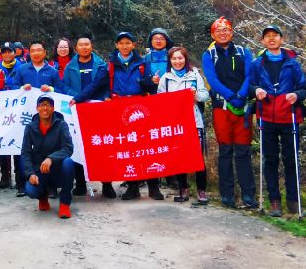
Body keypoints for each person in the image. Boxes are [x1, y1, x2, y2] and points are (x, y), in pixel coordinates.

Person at [75, 32, 162, 201]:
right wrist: (77, 99)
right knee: (127, 147)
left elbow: (149, 87)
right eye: (121, 43)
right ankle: (133, 186)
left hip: (139, 107)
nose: (124, 46)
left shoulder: (142, 63)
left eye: (128, 43)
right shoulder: (109, 66)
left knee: (146, 146)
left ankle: (154, 186)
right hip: (119, 108)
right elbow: (96, 85)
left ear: (133, 45)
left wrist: (152, 82)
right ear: (116, 45)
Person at [200, 17, 256, 209]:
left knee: (243, 151)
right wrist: (230, 95)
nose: (223, 33)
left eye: (226, 30)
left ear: (232, 32)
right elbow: (212, 79)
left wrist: (241, 94)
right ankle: (227, 194)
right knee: (225, 150)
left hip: (243, 106)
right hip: (221, 106)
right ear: (213, 34)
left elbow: (250, 75)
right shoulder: (209, 54)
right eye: (218, 31)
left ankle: (248, 194)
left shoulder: (243, 52)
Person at [250, 25, 306, 216]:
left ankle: (293, 201)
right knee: (270, 159)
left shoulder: (293, 63)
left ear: (282, 39)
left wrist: (296, 96)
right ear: (263, 41)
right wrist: (256, 90)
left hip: (289, 115)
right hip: (266, 115)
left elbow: (302, 89)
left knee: (291, 159)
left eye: (275, 36)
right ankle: (274, 201)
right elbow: (251, 85)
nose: (272, 39)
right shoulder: (257, 64)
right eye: (268, 36)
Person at [157, 46, 210, 205]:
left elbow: (205, 95)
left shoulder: (194, 75)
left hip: (194, 121)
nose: (177, 61)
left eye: (180, 58)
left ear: (185, 59)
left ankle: (201, 190)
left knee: (198, 157)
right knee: (179, 156)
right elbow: (160, 99)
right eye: (174, 59)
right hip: (175, 123)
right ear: (170, 61)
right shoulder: (165, 78)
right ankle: (183, 188)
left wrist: (195, 95)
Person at [21, 95, 74, 219]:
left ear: (53, 108)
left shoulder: (62, 125)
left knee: (68, 163)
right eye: (42, 105)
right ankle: (42, 197)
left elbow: (68, 148)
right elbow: (26, 152)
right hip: (40, 170)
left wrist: (51, 158)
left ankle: (65, 203)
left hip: (58, 169)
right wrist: (30, 174)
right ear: (37, 108)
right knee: (30, 190)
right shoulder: (30, 128)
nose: (45, 108)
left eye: (48, 105)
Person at [63, 36, 98, 195]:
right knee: (78, 146)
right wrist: (77, 98)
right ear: (76, 48)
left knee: (98, 146)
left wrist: (100, 100)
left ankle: (107, 183)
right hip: (77, 110)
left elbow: (103, 85)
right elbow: (65, 86)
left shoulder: (101, 65)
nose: (84, 47)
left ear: (91, 47)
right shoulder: (70, 66)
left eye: (87, 44)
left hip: (96, 110)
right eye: (81, 45)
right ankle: (81, 184)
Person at [0, 42, 24, 193]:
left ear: (14, 53)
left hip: (19, 111)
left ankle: (20, 177)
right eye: (5, 52)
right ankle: (5, 175)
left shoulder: (22, 67)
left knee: (18, 144)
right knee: (4, 142)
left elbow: (24, 85)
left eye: (10, 52)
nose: (7, 54)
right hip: (2, 113)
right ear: (1, 54)